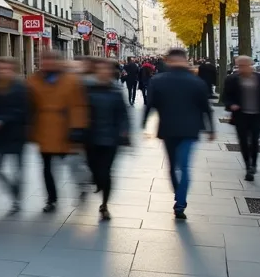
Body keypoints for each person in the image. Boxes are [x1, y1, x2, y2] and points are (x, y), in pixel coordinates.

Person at [144, 48, 216, 219]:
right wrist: (211, 129)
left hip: (168, 130)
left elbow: (150, 104)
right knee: (183, 166)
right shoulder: (197, 82)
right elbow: (206, 108)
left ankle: (179, 194)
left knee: (173, 167)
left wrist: (142, 125)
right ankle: (181, 201)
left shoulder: (158, 80)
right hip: (190, 130)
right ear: (185, 60)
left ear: (168, 61)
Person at [26, 50, 88, 212]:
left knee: (73, 165)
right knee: (47, 168)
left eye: (50, 60)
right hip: (44, 129)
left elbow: (78, 106)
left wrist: (77, 128)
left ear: (58, 62)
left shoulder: (71, 80)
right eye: (43, 60)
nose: (46, 63)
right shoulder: (34, 80)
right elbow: (28, 104)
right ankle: (51, 199)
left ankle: (81, 186)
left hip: (65, 129)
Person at [0, 57, 31, 214]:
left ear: (13, 70)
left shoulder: (20, 87)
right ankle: (13, 192)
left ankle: (17, 199)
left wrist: (0, 120)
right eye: (0, 69)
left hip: (17, 134)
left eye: (6, 68)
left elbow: (22, 112)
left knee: (18, 169)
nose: (3, 71)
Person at [83, 58, 132, 220]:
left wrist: (124, 131)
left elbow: (123, 115)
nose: (103, 72)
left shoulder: (116, 92)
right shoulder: (87, 89)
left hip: (110, 138)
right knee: (94, 169)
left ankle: (104, 205)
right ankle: (98, 181)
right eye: (100, 69)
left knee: (106, 172)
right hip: (90, 137)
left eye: (106, 70)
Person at [221, 56, 260, 182]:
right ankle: (247, 165)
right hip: (241, 115)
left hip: (257, 115)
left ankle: (253, 164)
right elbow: (226, 96)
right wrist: (231, 105)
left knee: (254, 140)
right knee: (243, 141)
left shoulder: (258, 78)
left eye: (245, 65)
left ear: (250, 65)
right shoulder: (232, 79)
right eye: (240, 65)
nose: (243, 68)